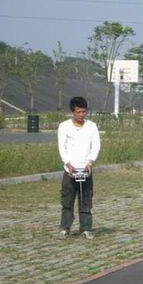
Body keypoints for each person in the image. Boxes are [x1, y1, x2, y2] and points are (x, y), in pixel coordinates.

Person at [57, 96, 101, 240]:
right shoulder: (64, 126)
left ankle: (86, 228)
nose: (81, 115)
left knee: (86, 200)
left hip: (86, 169)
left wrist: (90, 162)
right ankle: (65, 227)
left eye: (84, 112)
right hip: (70, 170)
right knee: (67, 200)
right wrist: (68, 163)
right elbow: (61, 146)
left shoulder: (91, 126)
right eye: (78, 112)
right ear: (72, 112)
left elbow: (96, 145)